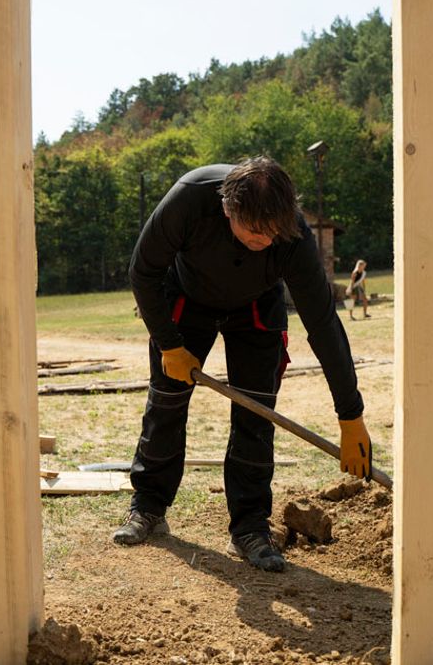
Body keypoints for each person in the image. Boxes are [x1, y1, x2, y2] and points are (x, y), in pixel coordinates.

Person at [113, 157, 373, 573]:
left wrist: (350, 413)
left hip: (255, 310)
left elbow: (323, 323)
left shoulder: (291, 235)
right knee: (166, 402)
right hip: (185, 302)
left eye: (273, 232)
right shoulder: (190, 197)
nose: (265, 240)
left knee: (256, 413)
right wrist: (169, 344)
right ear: (227, 209)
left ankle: (250, 527)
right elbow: (143, 271)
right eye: (254, 231)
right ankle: (148, 507)